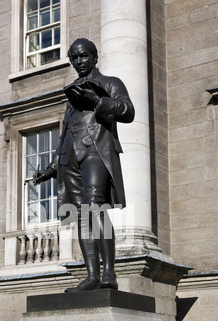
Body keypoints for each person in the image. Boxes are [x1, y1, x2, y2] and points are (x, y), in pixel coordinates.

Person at [34, 38, 135, 292]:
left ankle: (109, 273)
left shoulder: (110, 82)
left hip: (95, 151)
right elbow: (66, 130)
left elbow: (128, 111)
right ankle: (92, 276)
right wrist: (53, 166)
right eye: (74, 58)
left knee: (95, 207)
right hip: (70, 159)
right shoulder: (72, 93)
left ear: (94, 57)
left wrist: (97, 101)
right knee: (80, 215)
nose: (78, 62)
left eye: (82, 56)